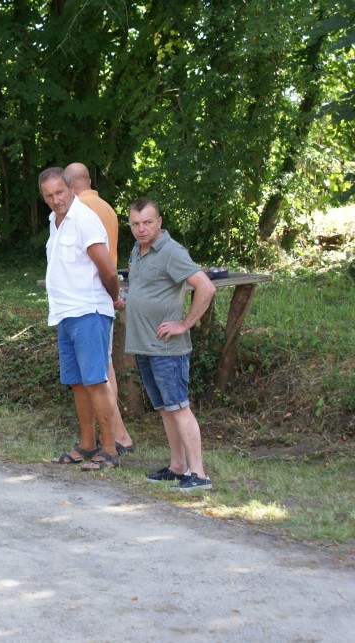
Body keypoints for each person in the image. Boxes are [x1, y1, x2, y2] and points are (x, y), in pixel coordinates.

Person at [121, 197, 216, 491]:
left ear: (159, 222)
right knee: (165, 408)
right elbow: (146, 290)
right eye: (135, 224)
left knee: (178, 407)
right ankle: (177, 467)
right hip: (145, 345)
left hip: (167, 348)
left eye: (148, 222)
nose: (141, 229)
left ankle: (198, 474)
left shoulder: (172, 251)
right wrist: (125, 302)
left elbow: (206, 286)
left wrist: (185, 323)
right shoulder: (138, 250)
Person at [40, 167, 123, 470]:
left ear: (71, 188)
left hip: (89, 310)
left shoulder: (85, 219)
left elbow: (108, 269)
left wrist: (113, 298)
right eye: (49, 195)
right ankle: (87, 446)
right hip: (65, 314)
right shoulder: (55, 222)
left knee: (96, 382)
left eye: (59, 192)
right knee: (77, 383)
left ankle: (110, 450)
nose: (56, 199)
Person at [64, 162, 134, 453]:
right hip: (105, 293)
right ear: (89, 180)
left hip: (92, 298)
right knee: (104, 369)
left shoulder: (79, 211)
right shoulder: (106, 206)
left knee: (97, 373)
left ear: (69, 186)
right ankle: (116, 434)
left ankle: (118, 437)